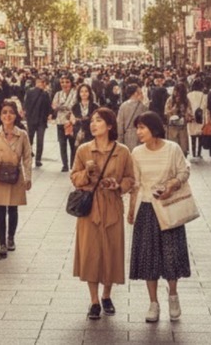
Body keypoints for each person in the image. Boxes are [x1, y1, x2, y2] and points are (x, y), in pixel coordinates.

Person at [71, 108, 135, 320]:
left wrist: (118, 185)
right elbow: (74, 178)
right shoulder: (83, 150)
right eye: (92, 120)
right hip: (90, 209)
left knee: (111, 252)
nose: (93, 124)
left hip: (112, 206)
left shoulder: (123, 151)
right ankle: (94, 300)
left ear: (109, 126)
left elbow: (130, 179)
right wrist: (86, 174)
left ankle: (107, 295)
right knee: (90, 253)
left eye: (99, 121)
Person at [128, 111, 191, 323]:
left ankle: (173, 295)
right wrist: (130, 210)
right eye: (138, 128)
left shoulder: (172, 149)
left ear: (154, 129)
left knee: (171, 255)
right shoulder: (136, 152)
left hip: (168, 206)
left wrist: (171, 185)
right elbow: (135, 184)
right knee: (148, 258)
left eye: (142, 128)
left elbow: (183, 172)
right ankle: (153, 303)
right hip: (146, 209)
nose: (139, 132)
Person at [0, 99, 33, 258]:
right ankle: (2, 243)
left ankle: (11, 238)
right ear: (0, 115)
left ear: (16, 115)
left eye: (11, 112)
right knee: (0, 210)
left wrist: (28, 177)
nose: (7, 115)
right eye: (4, 112)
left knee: (13, 208)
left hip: (16, 176)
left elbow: (27, 157)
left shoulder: (22, 134)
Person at [22, 76, 51, 168]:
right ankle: (33, 157)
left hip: (36, 120)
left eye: (42, 82)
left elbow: (26, 104)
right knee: (35, 140)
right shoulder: (39, 93)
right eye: (39, 82)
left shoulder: (42, 93)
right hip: (36, 120)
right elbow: (27, 104)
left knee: (35, 140)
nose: (40, 84)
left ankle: (34, 157)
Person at [52, 75, 78, 172]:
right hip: (60, 122)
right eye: (62, 82)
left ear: (71, 83)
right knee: (62, 144)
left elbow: (74, 106)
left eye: (67, 82)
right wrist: (63, 107)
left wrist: (62, 106)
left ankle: (73, 164)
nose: (64, 84)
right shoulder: (58, 94)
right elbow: (54, 106)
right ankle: (65, 165)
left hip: (71, 122)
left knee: (73, 144)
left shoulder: (75, 93)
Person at [164, 82, 192, 158]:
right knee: (173, 147)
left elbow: (190, 112)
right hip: (172, 127)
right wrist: (173, 110)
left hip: (182, 126)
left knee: (183, 148)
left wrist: (187, 115)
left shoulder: (186, 100)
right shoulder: (170, 99)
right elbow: (166, 112)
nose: (178, 94)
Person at [116, 83, 147, 151]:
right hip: (139, 134)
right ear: (135, 93)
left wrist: (120, 139)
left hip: (127, 135)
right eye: (140, 92)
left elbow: (120, 123)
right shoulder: (142, 106)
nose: (142, 94)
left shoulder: (123, 106)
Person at [71, 83, 98, 147]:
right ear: (79, 93)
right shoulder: (75, 107)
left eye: (86, 91)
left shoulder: (95, 106)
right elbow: (73, 121)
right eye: (81, 91)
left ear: (89, 93)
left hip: (91, 134)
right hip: (78, 134)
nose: (84, 93)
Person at [187, 79, 207, 158]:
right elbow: (204, 106)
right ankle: (199, 153)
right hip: (200, 117)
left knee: (192, 136)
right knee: (200, 135)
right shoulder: (203, 95)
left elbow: (187, 106)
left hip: (191, 117)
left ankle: (193, 153)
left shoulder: (189, 95)